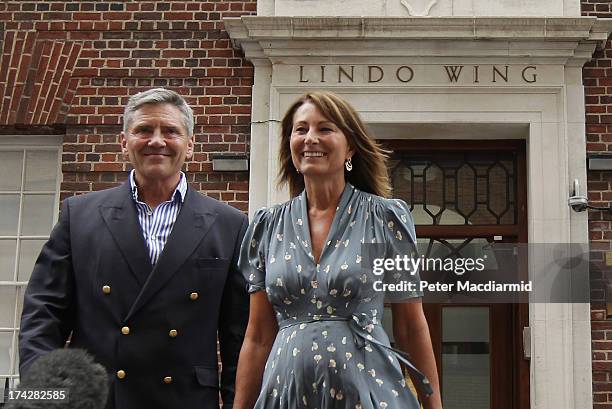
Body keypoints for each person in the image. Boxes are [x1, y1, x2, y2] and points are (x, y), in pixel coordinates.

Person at [18, 88, 249, 409]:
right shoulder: (79, 215)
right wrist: (41, 397)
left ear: (190, 145)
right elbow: (44, 315)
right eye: (144, 130)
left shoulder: (230, 224)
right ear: (124, 143)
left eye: (170, 131)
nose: (157, 140)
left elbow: (241, 337)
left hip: (185, 400)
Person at [234, 91, 442, 409]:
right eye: (301, 129)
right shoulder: (267, 227)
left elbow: (411, 328)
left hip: (369, 395)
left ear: (351, 147)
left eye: (325, 128)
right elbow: (258, 337)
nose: (311, 138)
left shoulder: (384, 218)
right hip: (286, 394)